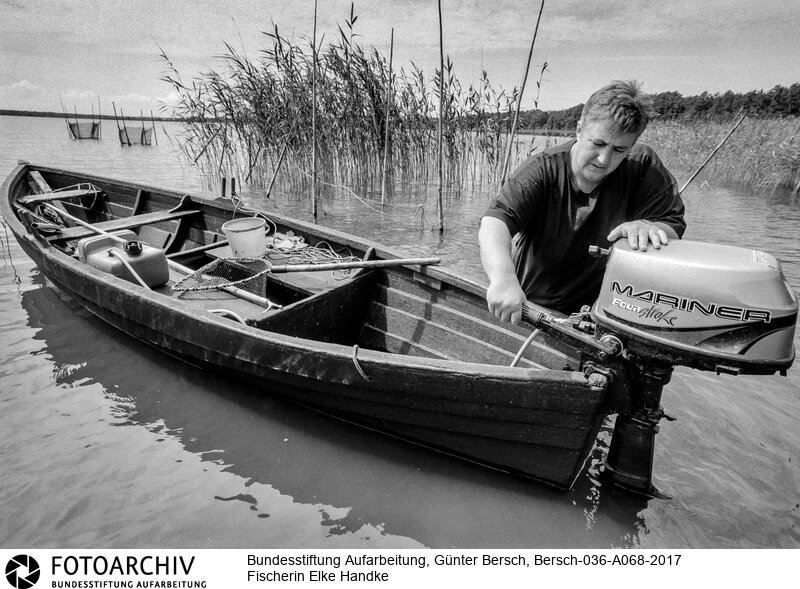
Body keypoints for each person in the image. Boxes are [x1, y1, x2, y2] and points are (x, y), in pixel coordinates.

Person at [478, 80, 686, 324]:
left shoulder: (642, 167)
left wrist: (651, 228)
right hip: (533, 308)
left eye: (620, 150)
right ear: (579, 130)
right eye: (598, 144)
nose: (604, 159)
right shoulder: (543, 169)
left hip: (602, 315)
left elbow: (672, 225)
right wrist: (503, 280)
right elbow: (494, 223)